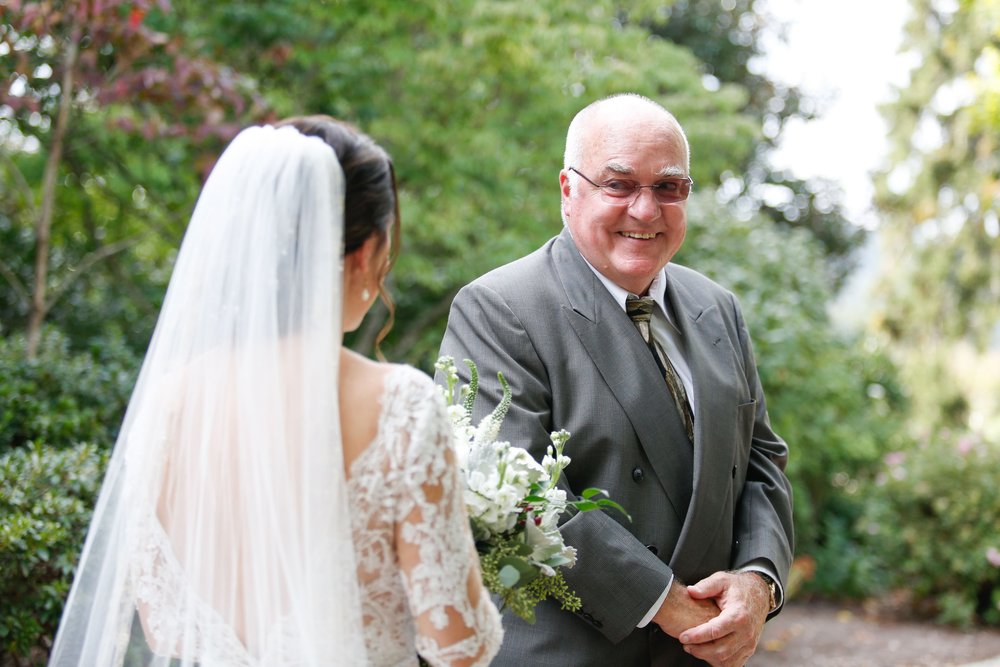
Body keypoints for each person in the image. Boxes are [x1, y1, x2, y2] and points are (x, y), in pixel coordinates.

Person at [49, 116, 502, 666]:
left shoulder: (166, 404)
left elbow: (163, 627)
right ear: (366, 253)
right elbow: (457, 642)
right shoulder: (398, 407)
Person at [437, 93, 794, 666]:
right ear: (567, 189)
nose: (646, 210)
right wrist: (665, 602)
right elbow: (509, 500)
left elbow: (760, 463)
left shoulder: (717, 307)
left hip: (700, 654)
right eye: (619, 185)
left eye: (669, 187)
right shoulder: (500, 308)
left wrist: (758, 579)